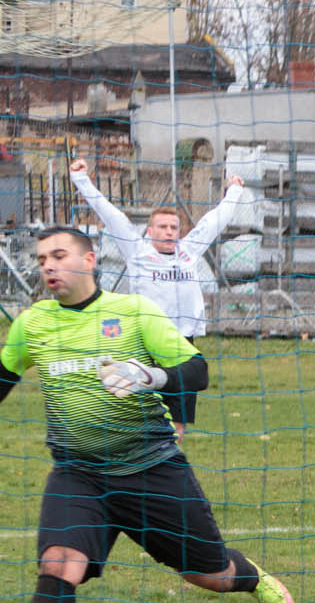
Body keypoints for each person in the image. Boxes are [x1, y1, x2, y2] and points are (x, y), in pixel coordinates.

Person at [0, 227, 296, 603]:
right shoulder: (33, 323)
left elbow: (197, 370)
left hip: (151, 470)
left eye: (58, 255)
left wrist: (152, 377)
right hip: (78, 475)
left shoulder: (134, 313)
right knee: (58, 565)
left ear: (90, 259)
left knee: (208, 575)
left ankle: (251, 578)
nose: (48, 266)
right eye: (41, 259)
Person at [69, 159, 246, 438]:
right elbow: (110, 214)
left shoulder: (188, 252)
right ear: (150, 231)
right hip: (146, 343)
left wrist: (234, 190)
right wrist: (81, 179)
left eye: (174, 227)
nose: (169, 231)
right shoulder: (138, 253)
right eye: (162, 227)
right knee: (141, 412)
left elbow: (215, 220)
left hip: (182, 343)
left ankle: (171, 453)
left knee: (178, 418)